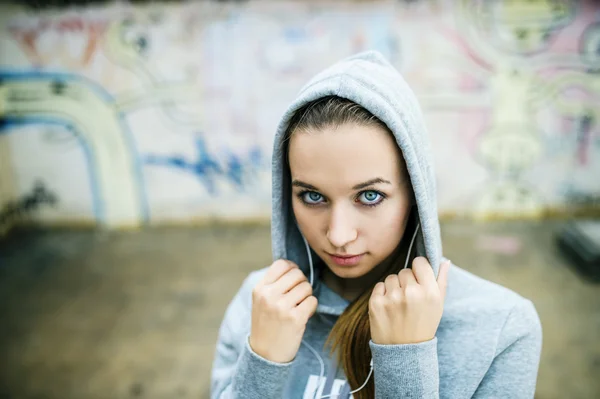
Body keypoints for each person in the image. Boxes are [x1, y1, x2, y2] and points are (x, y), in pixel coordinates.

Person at [210, 51, 542, 399]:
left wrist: (406, 362)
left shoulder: (499, 328)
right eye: (312, 196)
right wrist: (262, 363)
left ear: (415, 192)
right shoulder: (258, 305)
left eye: (369, 196)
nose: (339, 235)